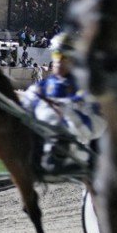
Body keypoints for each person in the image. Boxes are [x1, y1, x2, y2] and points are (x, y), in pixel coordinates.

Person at [21, 36, 102, 175]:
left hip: (80, 137)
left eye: (64, 57)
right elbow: (27, 102)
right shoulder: (44, 85)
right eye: (56, 55)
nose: (58, 60)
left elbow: (86, 100)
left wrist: (65, 104)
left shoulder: (82, 83)